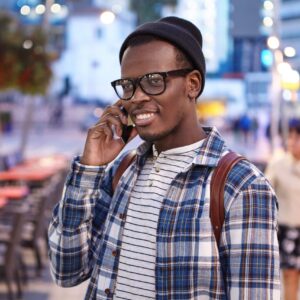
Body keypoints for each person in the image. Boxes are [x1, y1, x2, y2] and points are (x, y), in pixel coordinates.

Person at [48, 16, 280, 299]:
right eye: (128, 85)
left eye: (154, 81)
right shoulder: (123, 171)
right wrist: (89, 169)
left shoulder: (241, 186)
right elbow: (66, 270)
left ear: (192, 84)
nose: (136, 97)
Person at [265, 119, 300, 300]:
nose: (293, 141)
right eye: (291, 136)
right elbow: (265, 193)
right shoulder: (278, 164)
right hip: (288, 230)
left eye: (298, 136)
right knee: (290, 277)